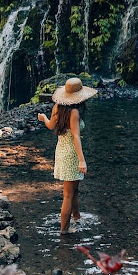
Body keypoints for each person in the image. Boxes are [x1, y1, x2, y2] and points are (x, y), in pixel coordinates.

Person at [37, 77, 97, 234]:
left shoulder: (57, 107)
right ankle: (64, 230)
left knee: (74, 190)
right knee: (68, 195)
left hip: (61, 152)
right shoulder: (75, 112)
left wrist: (43, 118)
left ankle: (76, 217)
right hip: (71, 154)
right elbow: (76, 137)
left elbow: (51, 125)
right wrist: (82, 161)